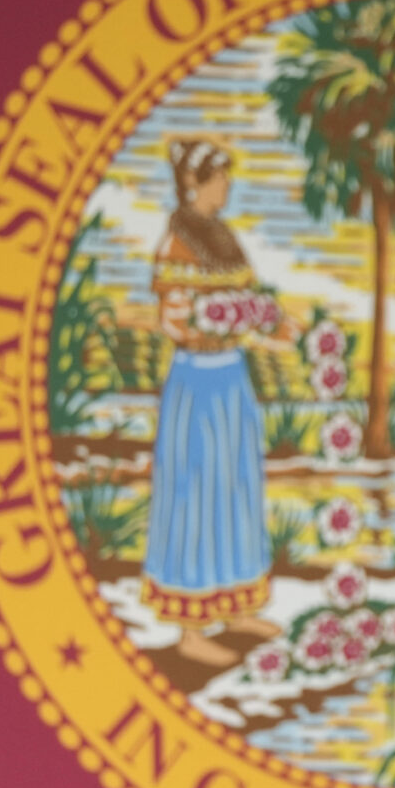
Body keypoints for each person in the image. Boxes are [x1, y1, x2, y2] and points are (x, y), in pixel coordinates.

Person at [142, 137, 287, 670]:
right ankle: (190, 628)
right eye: (219, 178)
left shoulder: (224, 236)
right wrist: (213, 324)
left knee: (236, 490)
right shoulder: (176, 241)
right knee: (197, 494)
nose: (227, 186)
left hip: (232, 380)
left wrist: (275, 329)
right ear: (192, 185)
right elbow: (174, 319)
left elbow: (249, 307)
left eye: (227, 177)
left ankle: (238, 607)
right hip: (198, 382)